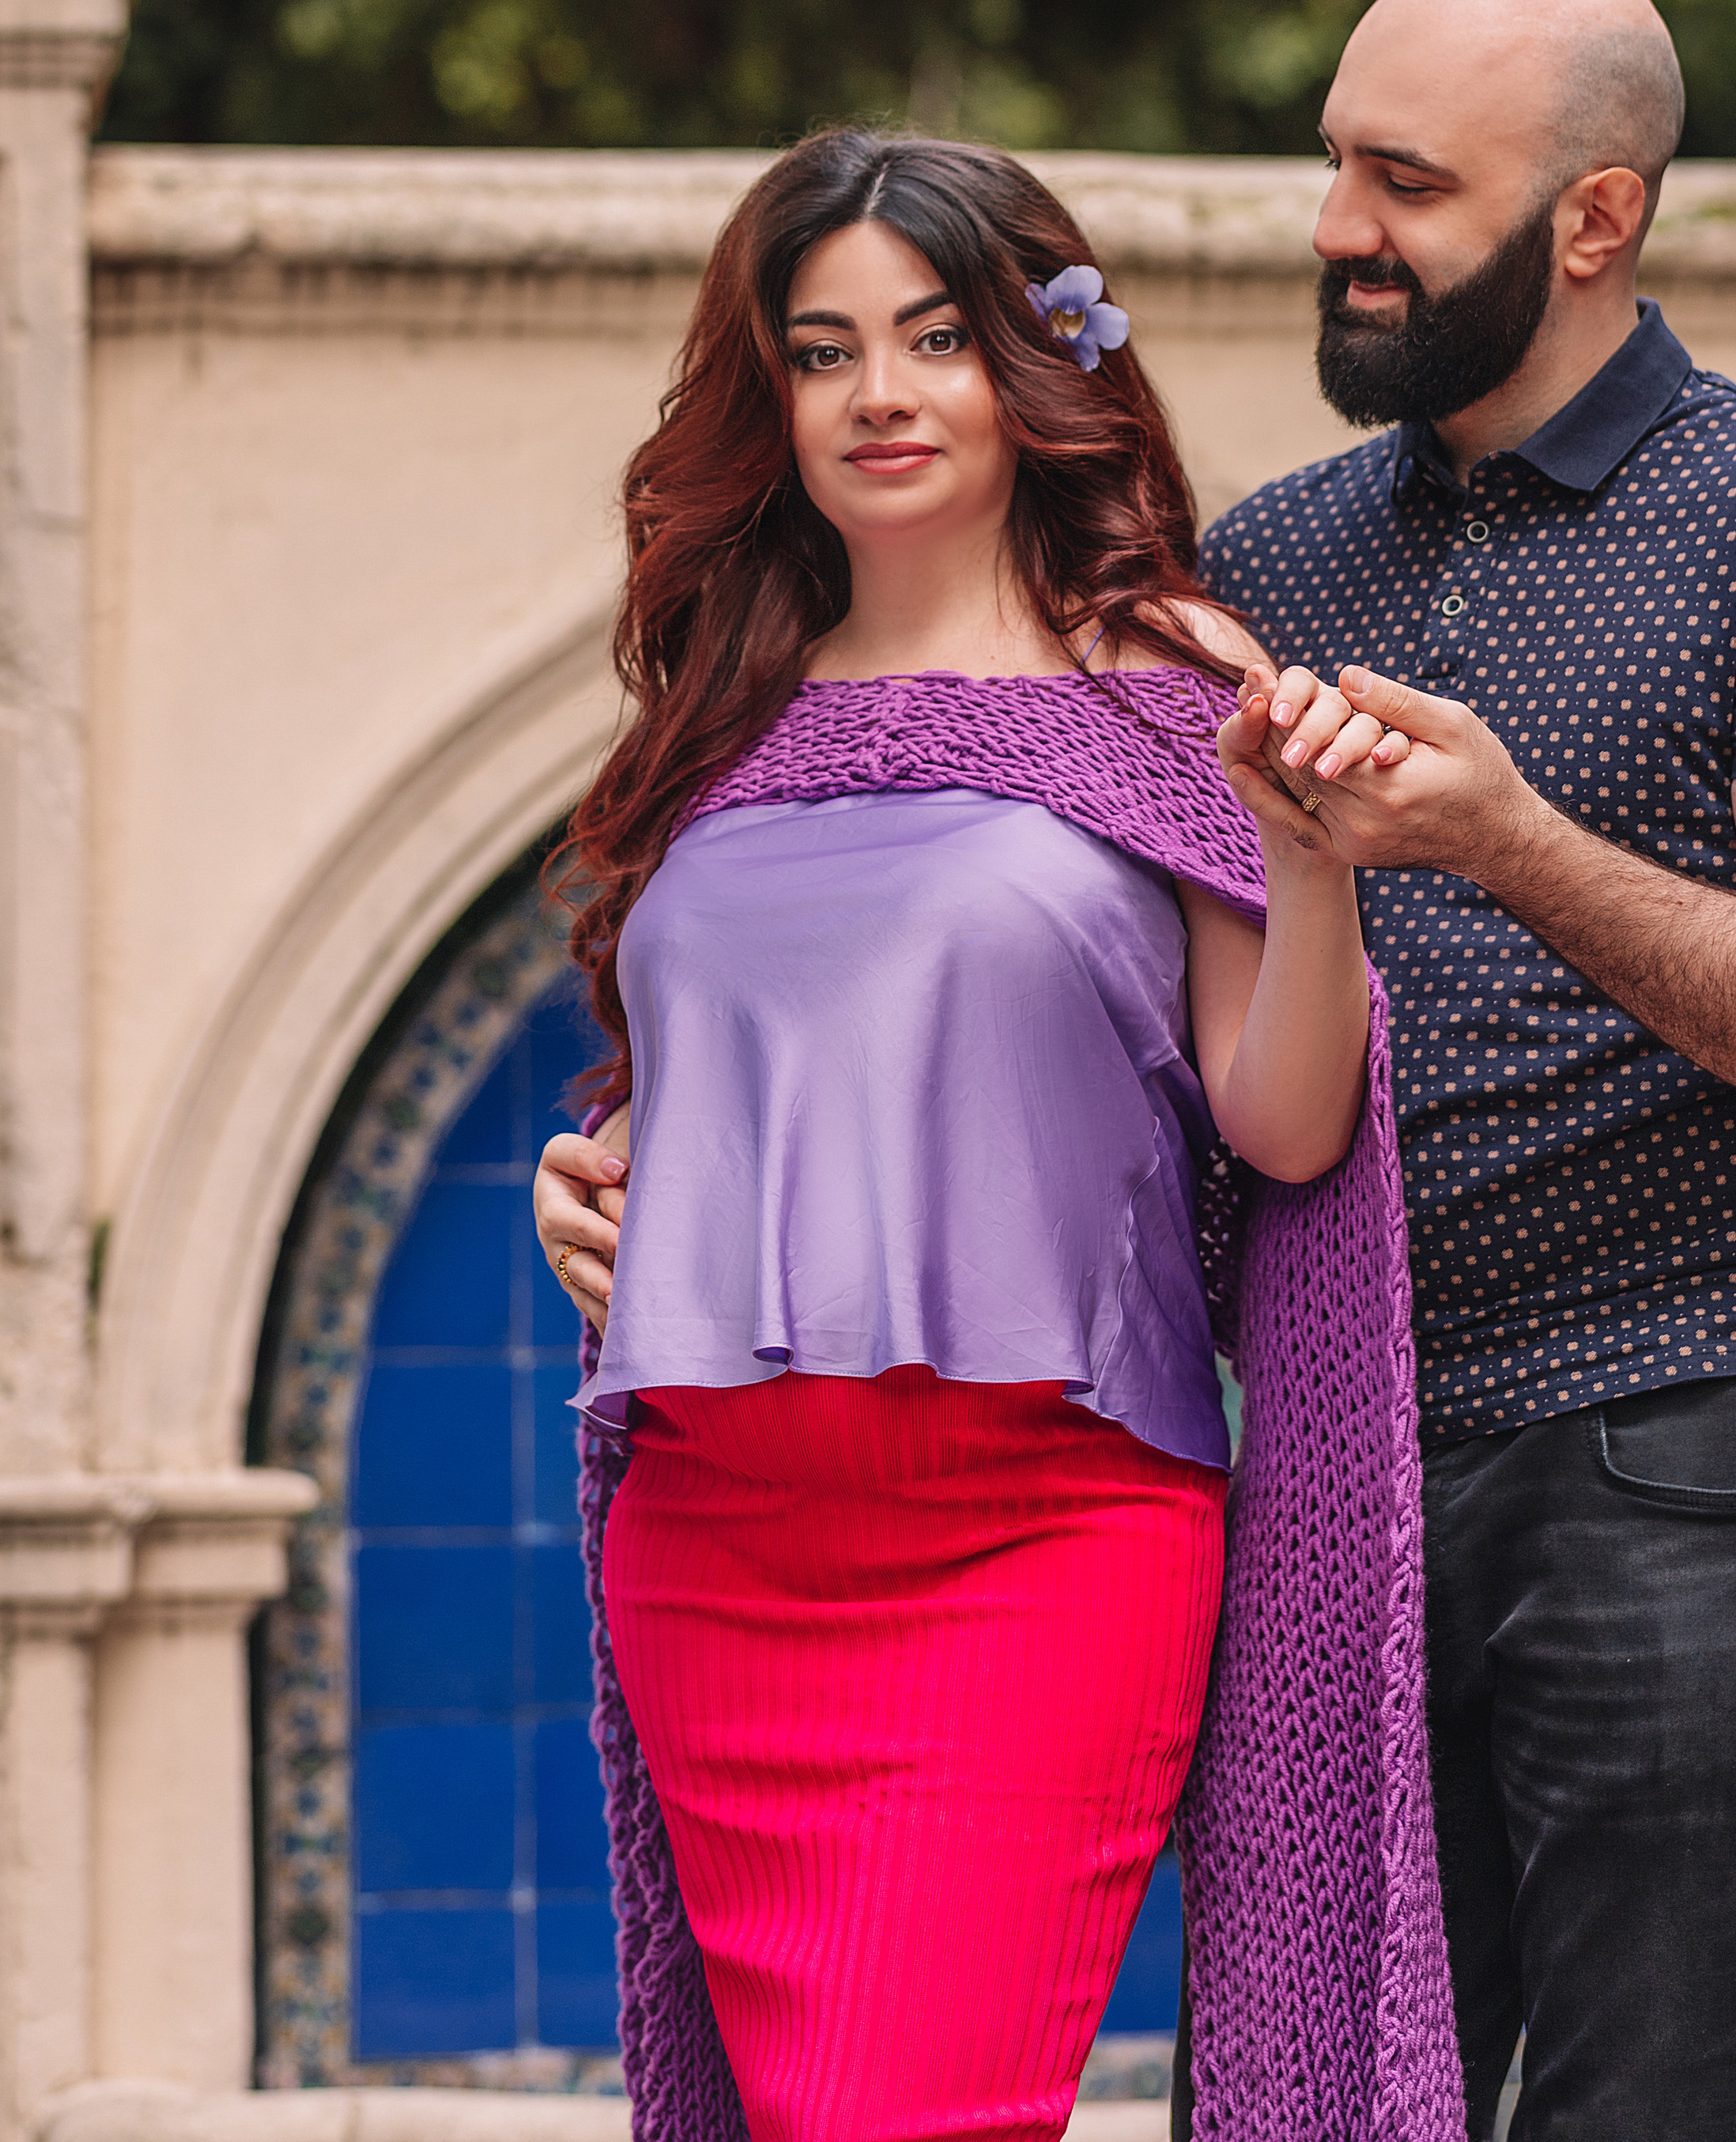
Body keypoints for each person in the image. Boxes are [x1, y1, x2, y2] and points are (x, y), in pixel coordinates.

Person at [531, 130, 1464, 2142]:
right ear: (764, 396)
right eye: (822, 348)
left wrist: (1311, 877)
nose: (880, 392)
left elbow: (1288, 1129)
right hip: (715, 1550)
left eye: (935, 337)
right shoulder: (723, 713)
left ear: (1030, 367)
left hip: (1040, 1548)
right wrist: (598, 1182)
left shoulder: (1163, 680)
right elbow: (729, 1075)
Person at [1194, 0, 1736, 2142]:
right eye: (1336, 162)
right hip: (1338, 1480)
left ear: (1596, 219)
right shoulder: (1275, 555)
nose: (1340, 225)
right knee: (1294, 2111)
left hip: (1701, 1470)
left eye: (1407, 182)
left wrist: (1511, 838)